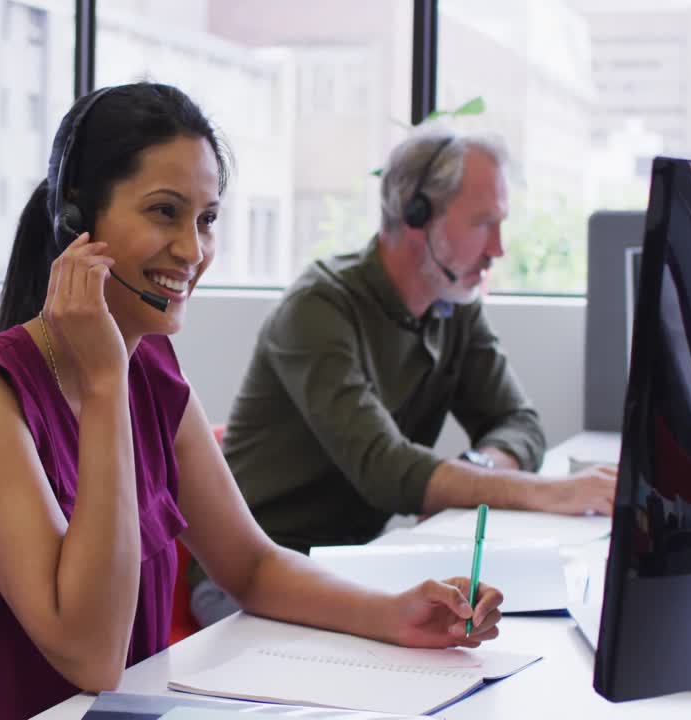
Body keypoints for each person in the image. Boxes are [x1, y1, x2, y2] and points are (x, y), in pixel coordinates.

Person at [0, 84, 505, 720]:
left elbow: (252, 566)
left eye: (207, 219)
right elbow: (93, 656)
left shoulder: (149, 371)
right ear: (76, 220)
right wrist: (104, 385)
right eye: (164, 212)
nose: (192, 249)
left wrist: (393, 613)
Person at [188, 128, 617, 627]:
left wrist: (480, 467)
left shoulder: (453, 305)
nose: (498, 249)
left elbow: (519, 422)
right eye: (484, 224)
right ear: (416, 216)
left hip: (358, 564)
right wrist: (550, 492)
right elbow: (388, 473)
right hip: (255, 578)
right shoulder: (319, 307)